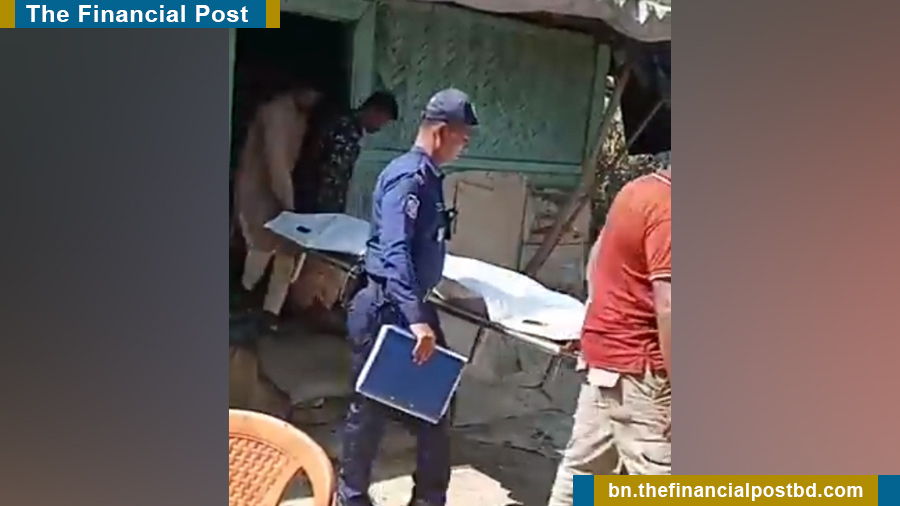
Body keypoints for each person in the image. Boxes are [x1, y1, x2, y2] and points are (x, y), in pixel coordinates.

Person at [337, 89, 477, 506]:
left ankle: (429, 499)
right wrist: (417, 319)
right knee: (370, 410)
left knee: (437, 402)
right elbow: (394, 250)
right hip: (388, 307)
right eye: (462, 137)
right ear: (440, 132)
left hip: (411, 304)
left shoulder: (428, 177)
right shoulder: (409, 179)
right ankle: (351, 498)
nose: (464, 145)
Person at [546, 164, 672, 505]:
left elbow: (595, 261)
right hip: (643, 371)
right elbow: (669, 307)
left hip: (606, 362)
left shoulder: (637, 190)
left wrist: (600, 319)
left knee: (585, 476)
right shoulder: (670, 210)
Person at [233, 81, 323, 331]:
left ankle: (269, 315)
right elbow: (277, 165)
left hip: (284, 197)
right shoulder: (275, 112)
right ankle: (244, 305)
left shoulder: (302, 117)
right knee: (260, 251)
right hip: (260, 194)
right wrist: (289, 205)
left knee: (286, 256)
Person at [311, 91, 399, 213]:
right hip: (322, 199)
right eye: (382, 121)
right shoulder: (346, 129)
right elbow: (334, 171)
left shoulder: (350, 128)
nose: (380, 127)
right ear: (374, 110)